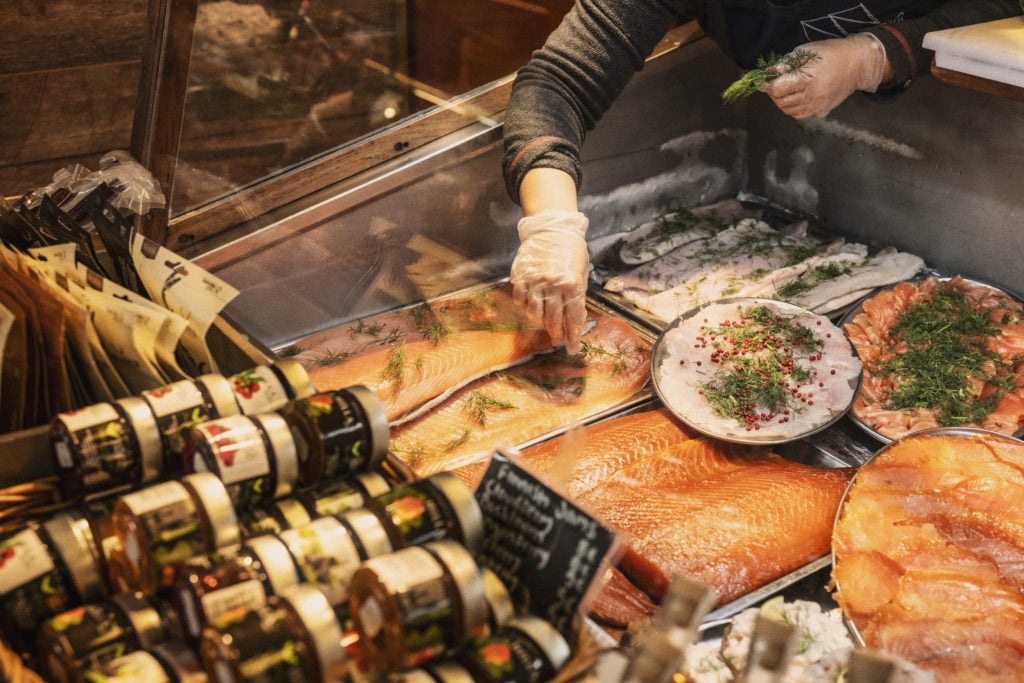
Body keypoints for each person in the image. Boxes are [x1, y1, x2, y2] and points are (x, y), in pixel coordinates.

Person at [503, 0, 1020, 352]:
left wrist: (878, 54)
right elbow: (558, 81)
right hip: (806, 169)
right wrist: (551, 224)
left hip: (986, 165)